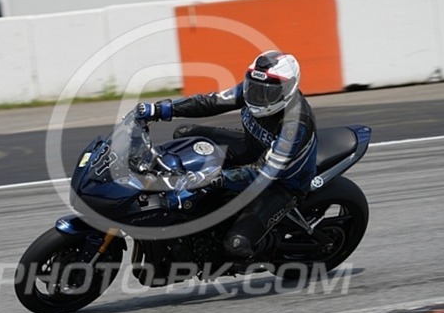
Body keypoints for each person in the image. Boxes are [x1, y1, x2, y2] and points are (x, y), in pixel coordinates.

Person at [134, 50, 317, 261]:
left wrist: (217, 177)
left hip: (281, 183)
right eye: (255, 88)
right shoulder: (252, 89)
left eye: (268, 92)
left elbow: (264, 173)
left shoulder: (295, 125)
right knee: (185, 134)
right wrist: (163, 109)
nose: (258, 96)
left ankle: (260, 251)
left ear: (288, 90)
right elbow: (212, 101)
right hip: (252, 149)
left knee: (236, 245)